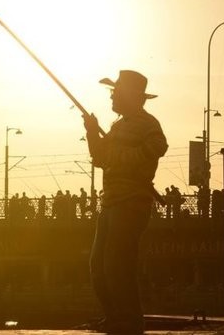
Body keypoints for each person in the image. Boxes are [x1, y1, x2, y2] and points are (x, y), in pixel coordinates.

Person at [83, 70, 168, 334]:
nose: (111, 96)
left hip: (131, 202)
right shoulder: (117, 127)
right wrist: (91, 133)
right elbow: (99, 158)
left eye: (115, 92)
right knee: (98, 265)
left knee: (117, 263)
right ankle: (115, 317)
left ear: (130, 96)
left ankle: (129, 320)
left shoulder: (148, 124)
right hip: (111, 202)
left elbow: (158, 147)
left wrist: (119, 156)